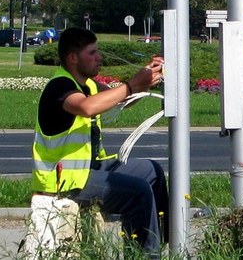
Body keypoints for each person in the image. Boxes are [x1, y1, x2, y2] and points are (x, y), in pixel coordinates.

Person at [32, 26, 168, 254]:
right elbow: (87, 107)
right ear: (73, 58)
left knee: (152, 171)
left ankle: (165, 242)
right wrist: (132, 84)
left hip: (91, 169)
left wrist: (149, 74)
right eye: (92, 53)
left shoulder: (89, 85)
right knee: (138, 192)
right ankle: (143, 256)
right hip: (65, 180)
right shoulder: (60, 86)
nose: (99, 57)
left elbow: (122, 99)